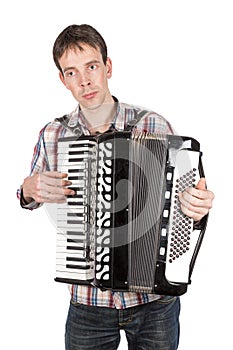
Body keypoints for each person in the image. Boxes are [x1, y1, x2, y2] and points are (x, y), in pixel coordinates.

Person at [17, 24, 214, 350]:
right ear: (63, 80)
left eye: (91, 66)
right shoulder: (54, 134)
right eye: (71, 72)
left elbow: (181, 208)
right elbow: (28, 197)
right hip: (88, 301)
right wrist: (27, 188)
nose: (84, 81)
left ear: (107, 66)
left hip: (153, 300)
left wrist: (196, 206)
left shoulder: (152, 124)